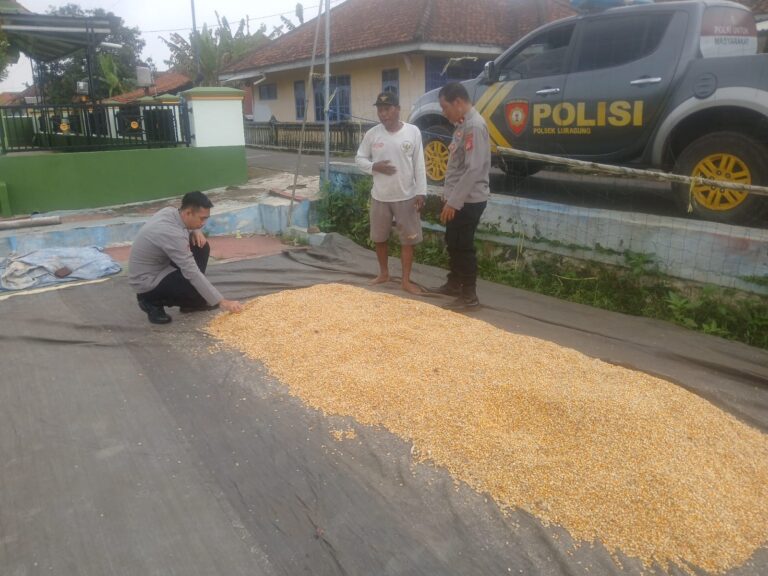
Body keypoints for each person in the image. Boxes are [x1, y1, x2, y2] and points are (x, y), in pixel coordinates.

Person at [128, 191, 243, 324]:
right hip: (147, 281)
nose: (203, 223)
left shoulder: (171, 211)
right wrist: (222, 302)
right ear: (188, 213)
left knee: (201, 247)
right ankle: (150, 301)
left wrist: (196, 230)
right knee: (190, 280)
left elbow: (187, 227)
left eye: (206, 218)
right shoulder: (171, 234)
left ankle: (190, 302)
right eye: (202, 218)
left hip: (161, 266)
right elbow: (191, 271)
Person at [355, 91, 427, 294]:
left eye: (387, 109)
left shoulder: (413, 132)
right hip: (380, 196)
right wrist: (374, 166)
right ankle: (384, 273)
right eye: (379, 109)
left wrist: (421, 192)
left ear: (397, 109)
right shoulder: (373, 134)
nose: (382, 114)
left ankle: (405, 281)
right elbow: (359, 158)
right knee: (379, 237)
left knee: (408, 240)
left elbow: (419, 165)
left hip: (406, 196)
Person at [433, 82, 491, 309]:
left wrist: (454, 203)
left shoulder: (474, 127)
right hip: (458, 199)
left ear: (457, 102)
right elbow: (457, 168)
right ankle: (454, 283)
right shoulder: (463, 125)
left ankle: (469, 296)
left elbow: (473, 169)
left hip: (468, 200)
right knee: (453, 241)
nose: (443, 112)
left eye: (445, 106)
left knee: (463, 246)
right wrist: (448, 196)